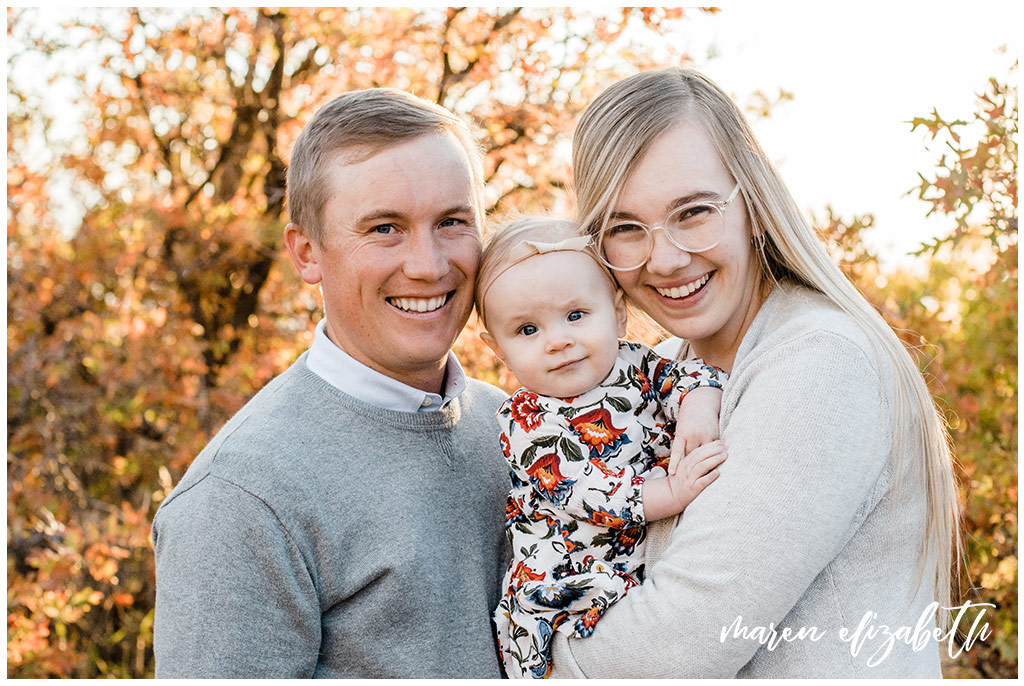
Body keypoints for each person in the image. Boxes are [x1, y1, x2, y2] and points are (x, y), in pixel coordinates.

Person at [548, 67, 960, 678]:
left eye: (693, 213)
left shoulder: (820, 360)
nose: (664, 259)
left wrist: (534, 657)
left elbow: (679, 643)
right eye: (625, 229)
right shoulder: (667, 371)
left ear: (753, 203)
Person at [151, 88, 510, 678]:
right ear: (307, 252)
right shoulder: (242, 501)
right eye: (385, 229)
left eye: (452, 221)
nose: (429, 264)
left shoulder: (520, 429)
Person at [475, 217, 728, 678]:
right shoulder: (527, 423)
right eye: (528, 330)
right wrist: (675, 492)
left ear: (617, 313)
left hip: (634, 561)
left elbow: (691, 377)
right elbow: (591, 493)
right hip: (565, 574)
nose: (558, 341)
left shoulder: (635, 363)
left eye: (575, 315)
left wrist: (696, 406)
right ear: (499, 352)